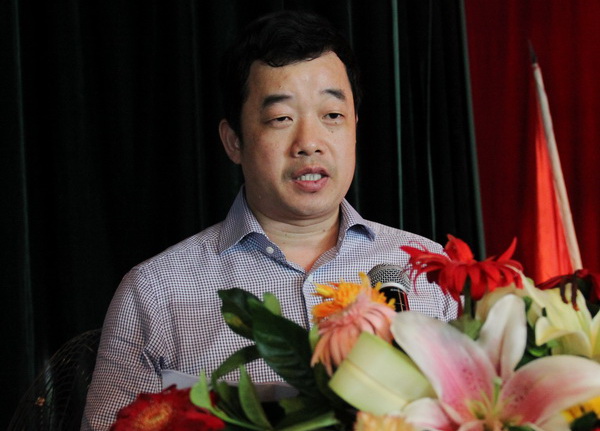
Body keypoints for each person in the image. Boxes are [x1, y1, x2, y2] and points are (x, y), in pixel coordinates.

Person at [82, 10, 458, 430]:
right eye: (281, 119)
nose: (309, 143)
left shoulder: (427, 268)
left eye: (332, 115)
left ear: (355, 126)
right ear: (234, 141)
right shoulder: (154, 293)